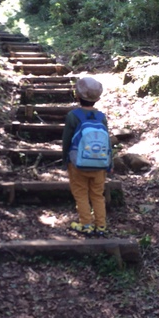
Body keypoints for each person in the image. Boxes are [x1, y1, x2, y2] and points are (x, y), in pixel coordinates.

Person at [62, 76, 111, 237]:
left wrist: (66, 160)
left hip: (78, 164)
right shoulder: (101, 117)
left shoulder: (73, 116)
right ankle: (101, 225)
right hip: (100, 165)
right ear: (97, 99)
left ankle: (86, 224)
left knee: (81, 194)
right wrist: (108, 163)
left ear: (77, 95)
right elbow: (106, 140)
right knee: (97, 195)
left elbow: (67, 140)